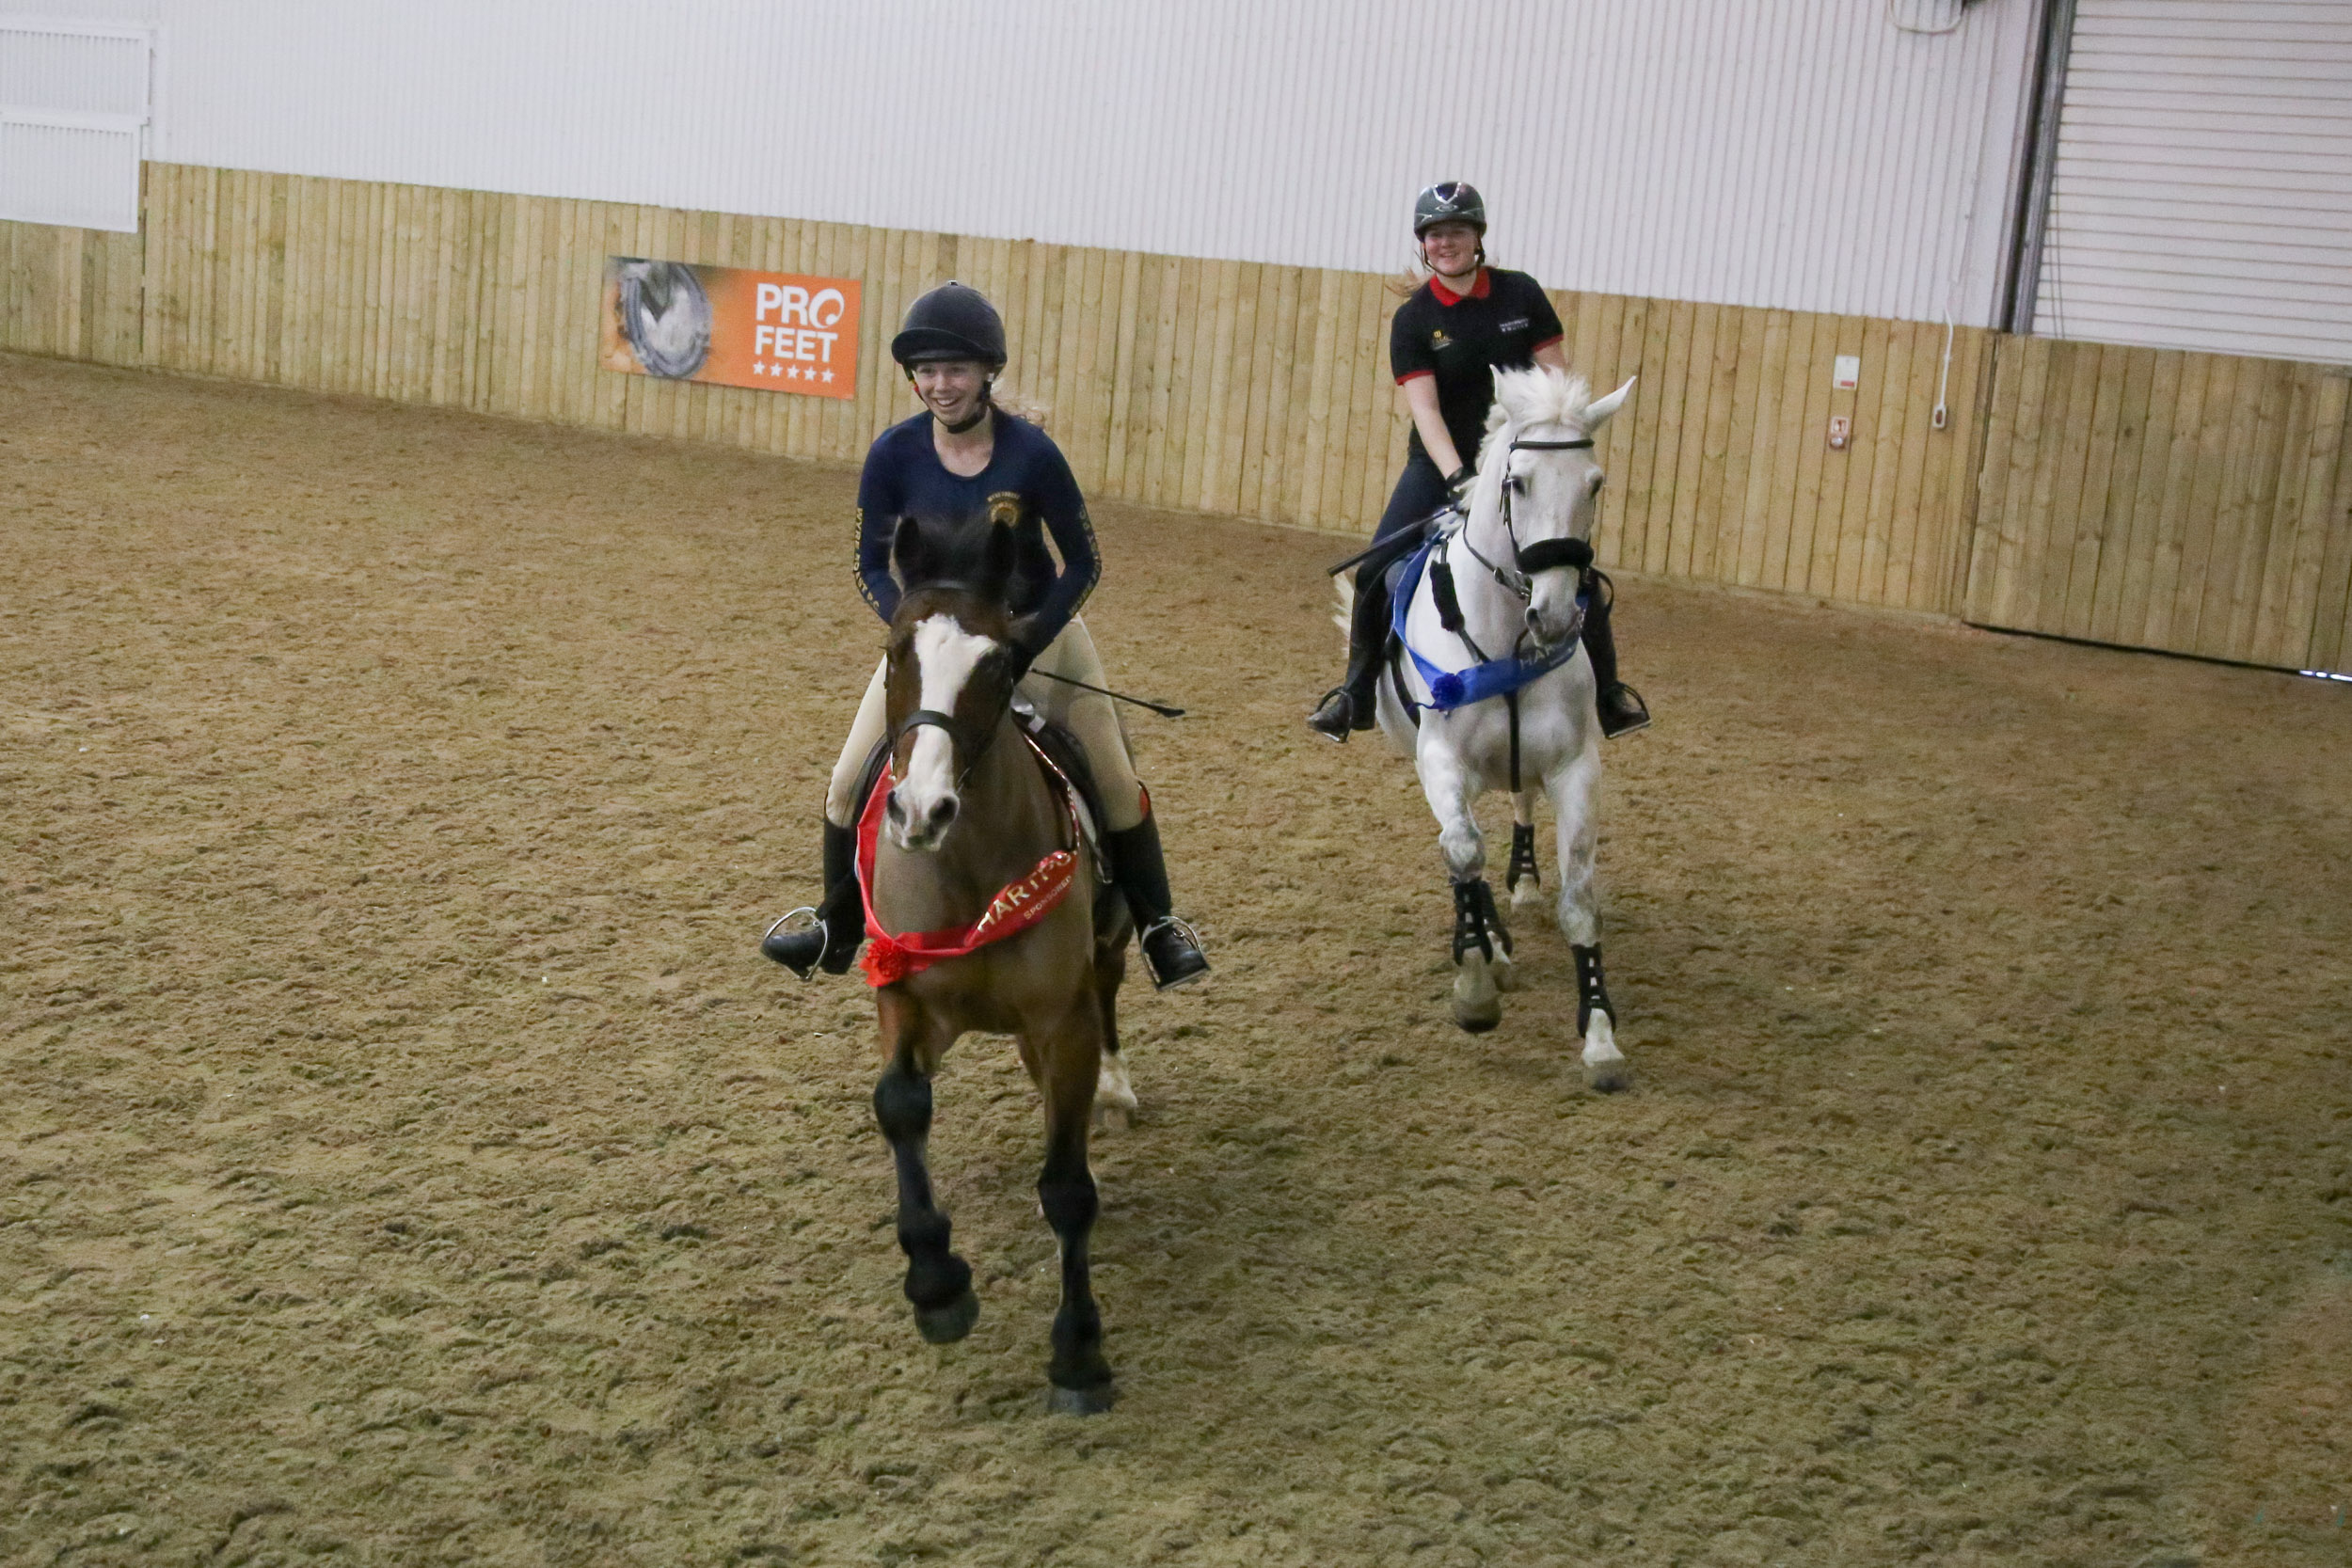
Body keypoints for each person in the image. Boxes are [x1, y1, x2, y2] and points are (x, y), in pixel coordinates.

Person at [762, 281, 1210, 990]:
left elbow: (1084, 562)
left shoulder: (1031, 454)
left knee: (1116, 782)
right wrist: (915, 634)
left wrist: (1030, 638)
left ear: (986, 373)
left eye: (957, 370)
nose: (941, 385)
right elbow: (865, 563)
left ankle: (1157, 926)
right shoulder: (892, 455)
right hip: (934, 652)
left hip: (1035, 634)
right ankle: (836, 926)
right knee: (846, 784)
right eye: (929, 371)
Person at [1306, 182, 1650, 742]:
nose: (1448, 243)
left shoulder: (1521, 296)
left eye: (1458, 232)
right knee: (1375, 568)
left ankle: (1609, 695)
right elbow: (1427, 411)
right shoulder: (1414, 320)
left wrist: (1558, 449)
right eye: (1437, 234)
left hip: (1525, 461)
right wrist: (1458, 477)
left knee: (1576, 571)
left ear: (1477, 238)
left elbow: (1556, 382)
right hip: (1446, 463)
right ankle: (1354, 692)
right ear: (1424, 244)